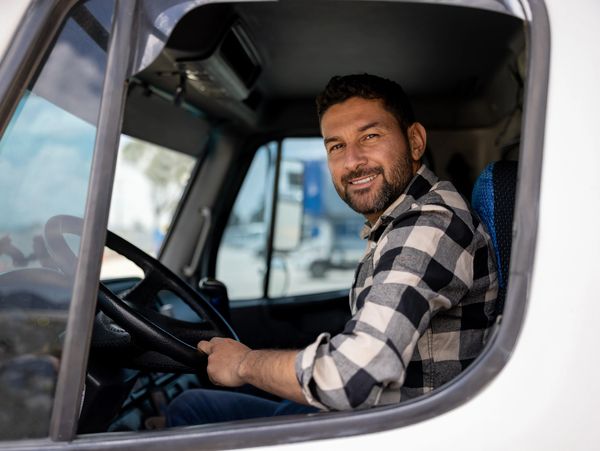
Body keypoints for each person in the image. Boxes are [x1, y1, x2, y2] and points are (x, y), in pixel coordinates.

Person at [166, 74, 498, 426]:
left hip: (394, 430)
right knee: (192, 407)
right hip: (377, 415)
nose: (352, 161)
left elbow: (351, 376)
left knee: (189, 412)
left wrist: (244, 364)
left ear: (415, 141)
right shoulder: (399, 222)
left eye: (370, 136)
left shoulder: (429, 226)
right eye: (336, 146)